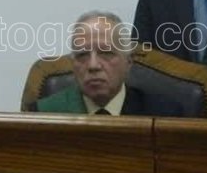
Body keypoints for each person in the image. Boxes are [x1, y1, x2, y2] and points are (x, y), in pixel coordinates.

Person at [34, 11, 192, 116]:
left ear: (128, 62)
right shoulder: (43, 114)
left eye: (106, 53)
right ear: (72, 64)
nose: (93, 65)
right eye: (82, 55)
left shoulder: (164, 114)